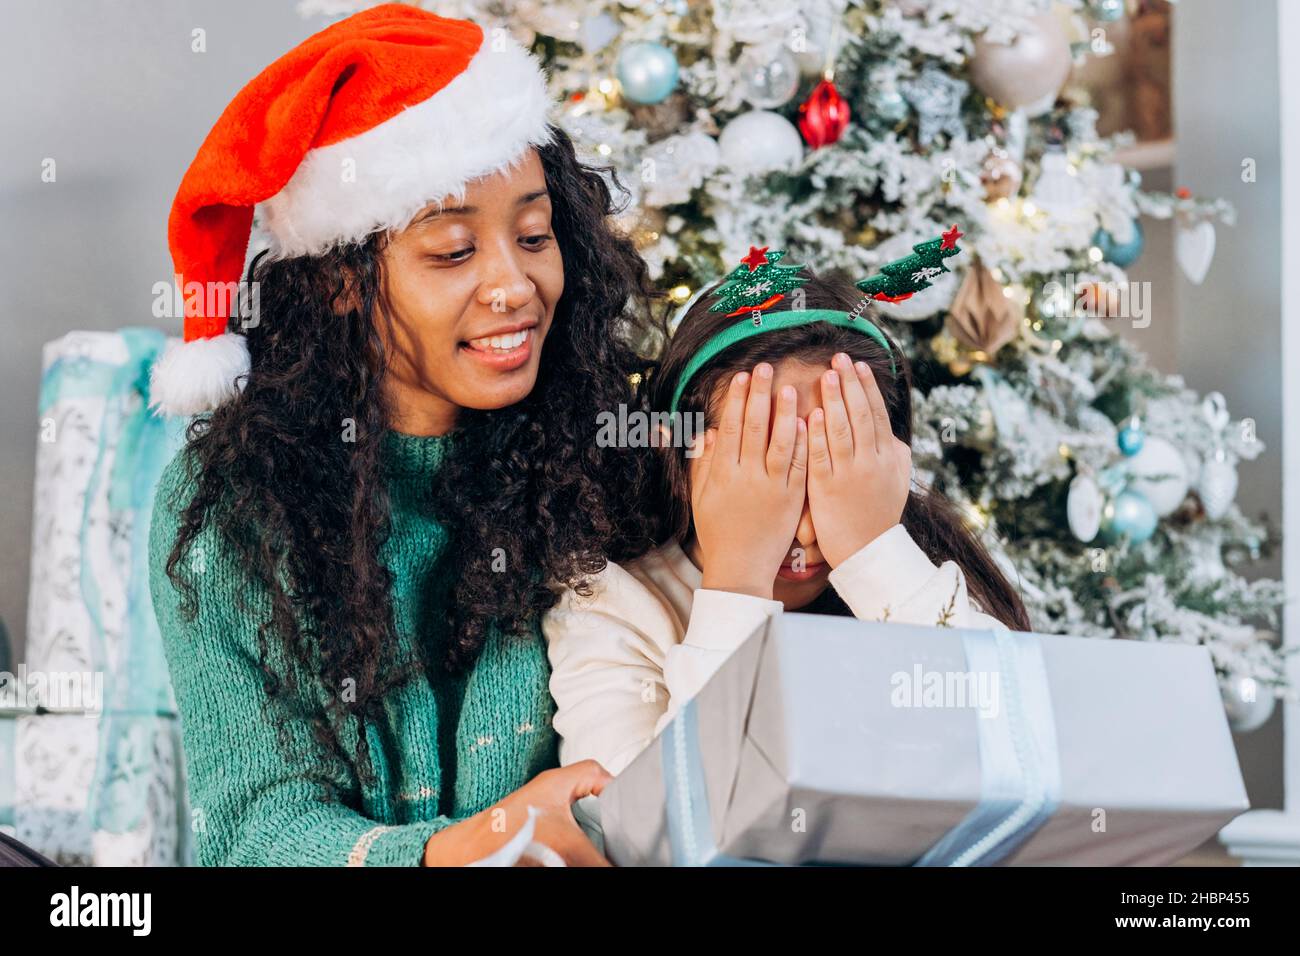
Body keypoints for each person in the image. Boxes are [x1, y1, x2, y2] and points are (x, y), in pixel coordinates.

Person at [147, 5, 662, 866]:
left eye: (535, 235)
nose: (515, 285)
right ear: (343, 280)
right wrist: (480, 843)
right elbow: (252, 831)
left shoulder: (610, 454)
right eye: (453, 251)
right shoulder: (234, 504)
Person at [545, 263, 1031, 779]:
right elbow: (648, 833)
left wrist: (875, 553)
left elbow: (1015, 752)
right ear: (680, 462)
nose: (802, 534)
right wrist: (738, 578)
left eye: (836, 470)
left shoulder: (926, 576)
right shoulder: (610, 603)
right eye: (766, 467)